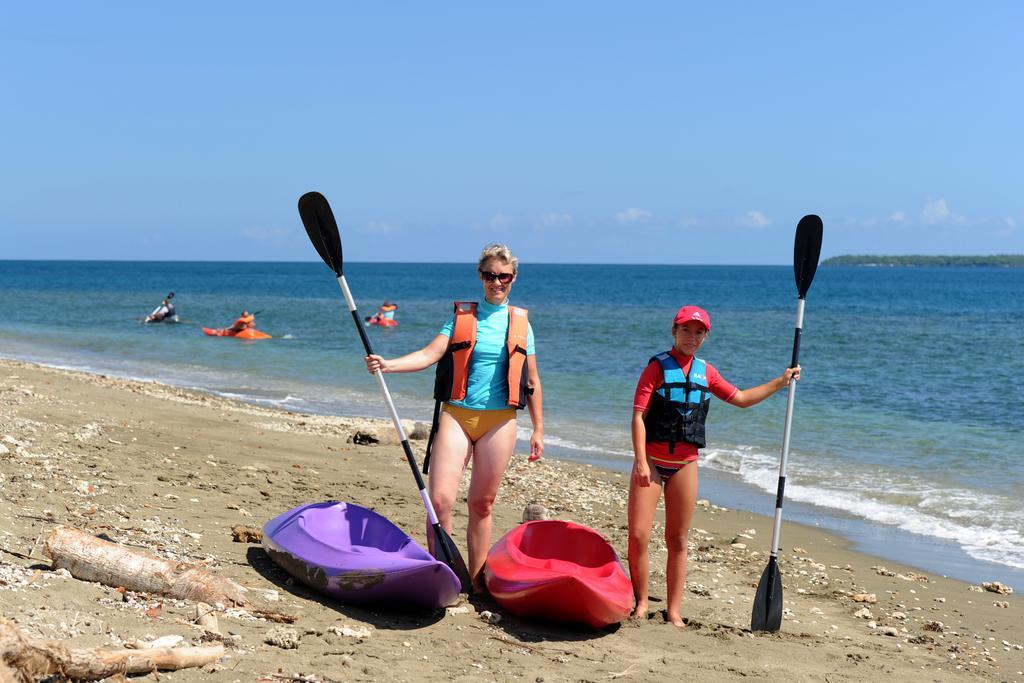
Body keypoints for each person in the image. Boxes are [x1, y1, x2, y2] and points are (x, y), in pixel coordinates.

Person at [364, 244, 544, 593]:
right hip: (458, 416)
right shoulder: (462, 318)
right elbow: (429, 353)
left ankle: (476, 581)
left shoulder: (522, 324)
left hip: (500, 422)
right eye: (490, 275)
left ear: (513, 278)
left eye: (503, 277)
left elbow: (533, 381)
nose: (497, 282)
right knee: (440, 501)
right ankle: (443, 574)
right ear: (480, 276)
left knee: (482, 503)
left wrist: (539, 428)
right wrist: (389, 364)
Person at [628, 305, 800, 627]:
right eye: (685, 331)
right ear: (674, 331)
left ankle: (674, 611)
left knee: (677, 539)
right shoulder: (656, 368)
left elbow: (743, 399)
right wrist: (640, 460)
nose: (691, 337)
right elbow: (638, 416)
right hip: (651, 462)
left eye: (698, 332)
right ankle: (640, 602)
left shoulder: (706, 372)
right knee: (638, 535)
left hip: (684, 465)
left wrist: (781, 381)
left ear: (705, 336)